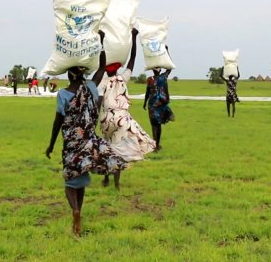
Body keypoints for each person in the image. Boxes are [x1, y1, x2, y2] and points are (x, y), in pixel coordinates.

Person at [45, 33, 128, 236]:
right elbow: (101, 68)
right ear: (82, 75)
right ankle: (79, 211)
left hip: (71, 144)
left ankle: (74, 210)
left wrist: (51, 145)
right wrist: (100, 42)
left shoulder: (63, 95)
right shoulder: (90, 88)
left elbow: (58, 122)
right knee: (81, 180)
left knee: (69, 181)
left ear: (69, 75)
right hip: (88, 143)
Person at [98, 29, 156, 190]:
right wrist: (134, 37)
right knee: (119, 152)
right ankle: (116, 183)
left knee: (106, 148)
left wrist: (101, 40)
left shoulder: (102, 80)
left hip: (106, 120)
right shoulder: (123, 78)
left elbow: (100, 61)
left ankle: (106, 178)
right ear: (117, 69)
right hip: (122, 119)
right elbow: (132, 60)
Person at [143, 48, 175, 151]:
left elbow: (170, 67)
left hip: (159, 105)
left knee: (157, 124)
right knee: (155, 124)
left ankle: (156, 144)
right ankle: (155, 145)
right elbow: (147, 92)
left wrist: (166, 52)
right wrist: (144, 103)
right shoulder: (151, 79)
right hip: (153, 105)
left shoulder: (162, 77)